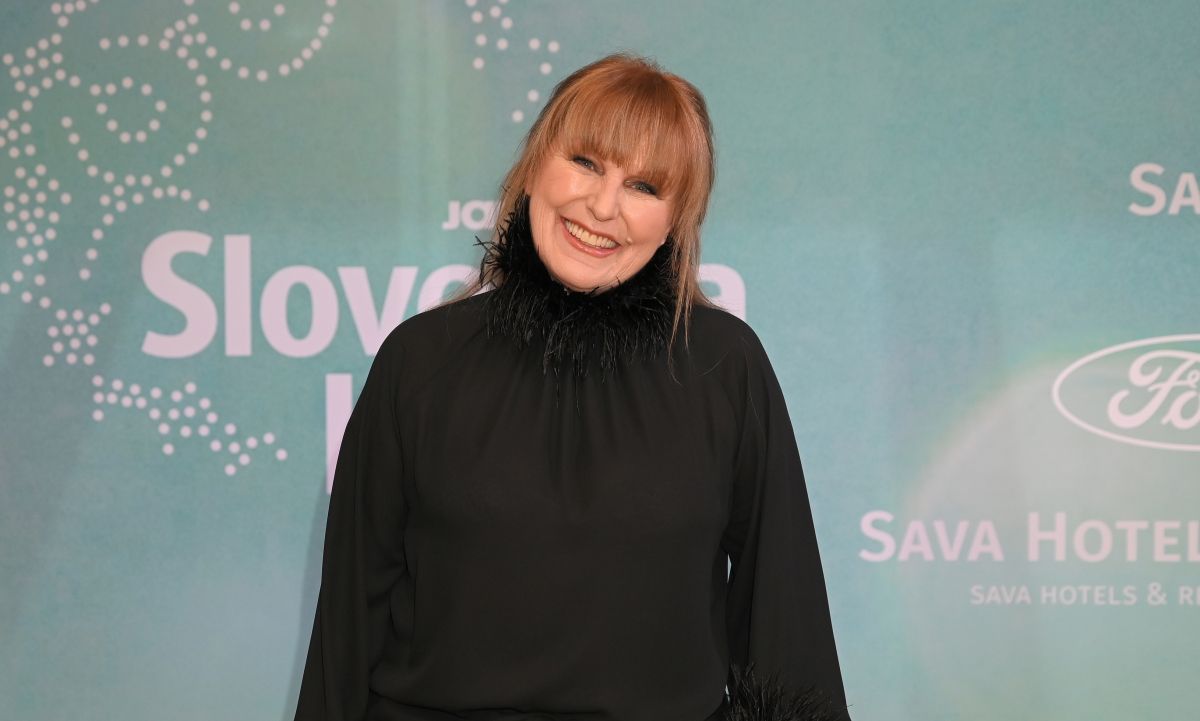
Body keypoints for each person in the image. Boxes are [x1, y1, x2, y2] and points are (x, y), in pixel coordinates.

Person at [295, 53, 852, 721]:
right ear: (535, 165)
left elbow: (784, 617)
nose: (603, 206)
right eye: (586, 162)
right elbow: (349, 620)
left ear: (675, 222)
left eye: (643, 186)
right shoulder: (419, 360)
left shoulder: (725, 366)